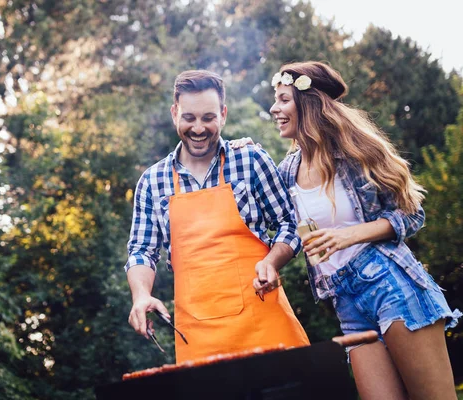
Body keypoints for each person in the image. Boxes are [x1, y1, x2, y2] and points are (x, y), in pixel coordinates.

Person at [232, 61, 461, 399]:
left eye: (283, 99)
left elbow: (412, 214)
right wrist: (243, 156)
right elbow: (280, 228)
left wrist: (350, 235)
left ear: (307, 104)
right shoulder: (286, 171)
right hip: (347, 304)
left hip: (390, 286)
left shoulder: (355, 154)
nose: (274, 108)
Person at [124, 69, 310, 364]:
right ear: (175, 114)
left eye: (208, 118)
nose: (198, 128)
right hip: (198, 336)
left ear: (223, 115)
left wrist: (272, 262)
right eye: (189, 117)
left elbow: (291, 223)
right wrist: (141, 295)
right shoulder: (152, 181)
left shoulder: (250, 161)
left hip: (263, 320)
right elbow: (141, 252)